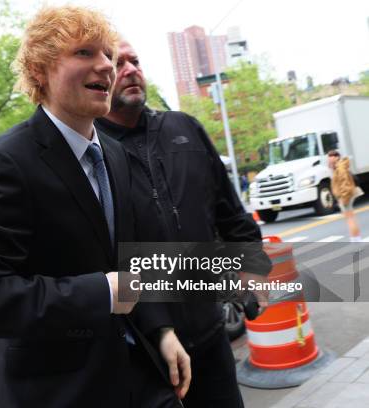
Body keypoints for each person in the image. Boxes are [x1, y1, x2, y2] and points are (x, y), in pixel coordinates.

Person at [0, 7, 182, 408]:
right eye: (85, 53)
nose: (107, 66)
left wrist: (162, 330)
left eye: (107, 54)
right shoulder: (0, 162)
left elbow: (131, 262)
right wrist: (100, 292)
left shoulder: (116, 155)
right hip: (59, 393)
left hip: (143, 379)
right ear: (40, 70)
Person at [95, 39, 269, 408]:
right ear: (101, 74)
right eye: (118, 62)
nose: (130, 70)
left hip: (210, 336)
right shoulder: (92, 153)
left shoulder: (184, 128)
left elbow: (231, 214)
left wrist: (252, 269)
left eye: (135, 60)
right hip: (145, 353)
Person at [328, 150, 363, 242]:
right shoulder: (338, 167)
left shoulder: (340, 167)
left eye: (331, 157)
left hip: (345, 196)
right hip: (346, 195)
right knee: (351, 218)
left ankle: (355, 240)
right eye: (329, 157)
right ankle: (357, 238)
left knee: (350, 219)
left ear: (337, 157)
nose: (330, 159)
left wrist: (344, 199)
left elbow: (345, 184)